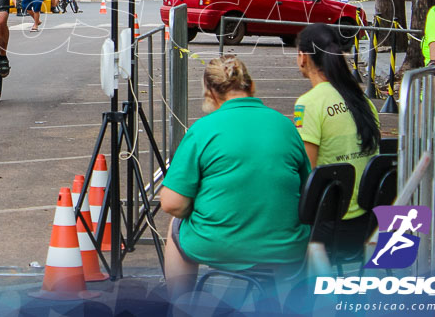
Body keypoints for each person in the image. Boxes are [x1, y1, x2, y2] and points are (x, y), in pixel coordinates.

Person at [160, 55, 311, 301]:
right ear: (251, 86)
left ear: (210, 93)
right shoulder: (285, 126)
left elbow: (172, 203)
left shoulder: (203, 129)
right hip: (285, 245)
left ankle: (180, 304)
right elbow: (306, 188)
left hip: (217, 245)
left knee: (176, 227)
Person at [293, 23, 380, 259]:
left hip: (329, 221)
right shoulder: (362, 100)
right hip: (367, 219)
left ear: (303, 57)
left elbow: (307, 173)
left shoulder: (308, 103)